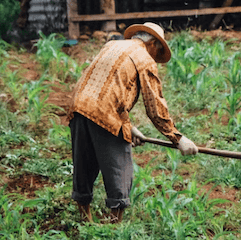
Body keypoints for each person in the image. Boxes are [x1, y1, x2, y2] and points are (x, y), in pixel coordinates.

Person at [65, 22, 199, 224]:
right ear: (153, 43)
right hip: (104, 113)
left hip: (78, 106)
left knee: (83, 164)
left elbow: (108, 87)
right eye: (159, 50)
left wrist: (130, 127)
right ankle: (112, 229)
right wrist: (177, 139)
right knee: (119, 168)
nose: (157, 56)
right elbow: (154, 105)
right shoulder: (144, 58)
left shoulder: (112, 46)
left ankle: (85, 223)